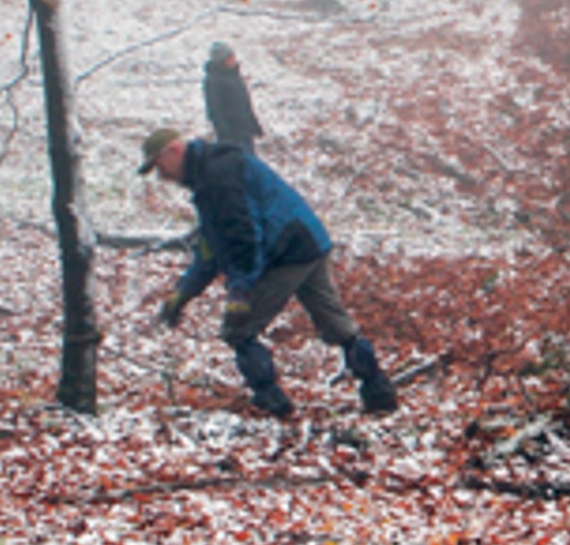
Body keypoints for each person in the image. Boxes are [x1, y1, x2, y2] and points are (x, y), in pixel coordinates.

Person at [139, 127, 397, 417]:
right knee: (336, 324)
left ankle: (273, 403)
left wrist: (241, 289)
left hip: (286, 252)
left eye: (159, 165)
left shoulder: (217, 176)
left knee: (238, 331)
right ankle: (379, 392)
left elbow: (244, 236)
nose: (161, 175)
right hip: (309, 242)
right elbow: (211, 247)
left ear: (174, 150)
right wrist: (183, 293)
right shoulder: (210, 175)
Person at [203, 42, 264, 155]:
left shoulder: (234, 75)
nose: (234, 59)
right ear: (223, 60)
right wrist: (224, 134)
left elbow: (245, 103)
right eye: (231, 57)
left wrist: (254, 124)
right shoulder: (214, 81)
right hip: (232, 135)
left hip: (245, 131)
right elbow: (214, 110)